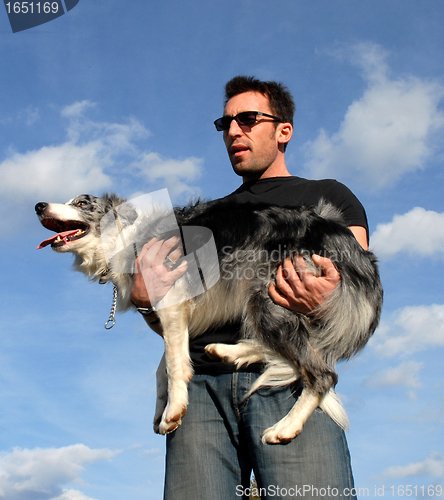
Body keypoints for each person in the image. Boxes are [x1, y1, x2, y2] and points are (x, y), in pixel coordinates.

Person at [130, 76, 369, 500]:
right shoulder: (209, 217)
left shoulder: (327, 196)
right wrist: (146, 300)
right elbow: (183, 313)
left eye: (247, 119)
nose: (234, 131)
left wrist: (328, 297)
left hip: (285, 378)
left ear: (283, 131)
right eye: (225, 124)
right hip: (199, 390)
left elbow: (355, 285)